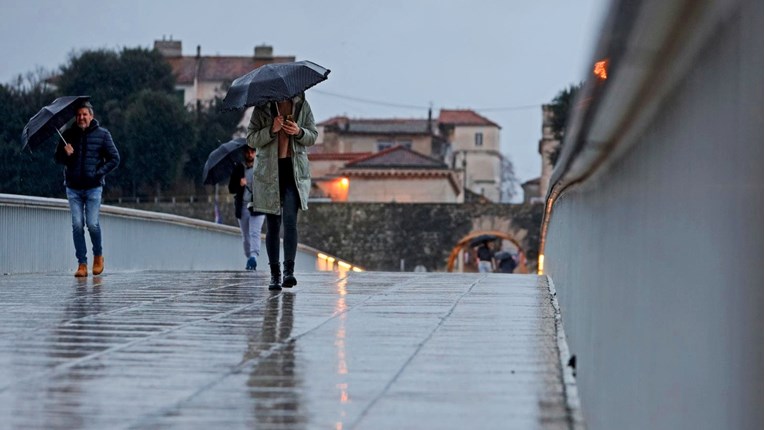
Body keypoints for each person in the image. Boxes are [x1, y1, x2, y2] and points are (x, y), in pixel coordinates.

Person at [246, 93, 317, 290]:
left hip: (293, 172)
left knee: (290, 223)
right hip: (269, 173)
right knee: (273, 225)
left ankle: (289, 272)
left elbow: (313, 136)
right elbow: (251, 139)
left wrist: (299, 131)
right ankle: (274, 275)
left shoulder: (302, 106)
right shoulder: (262, 109)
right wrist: (271, 129)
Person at [54, 101, 120, 277]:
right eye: (79, 115)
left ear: (91, 116)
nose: (81, 118)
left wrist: (98, 173)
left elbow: (115, 158)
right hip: (73, 188)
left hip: (93, 188)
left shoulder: (103, 135)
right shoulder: (68, 134)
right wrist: (64, 152)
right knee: (77, 225)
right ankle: (82, 264)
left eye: (85, 114)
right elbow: (58, 158)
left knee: (92, 224)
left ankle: (98, 256)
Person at [229, 145, 265, 271]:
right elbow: (231, 188)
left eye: (252, 152)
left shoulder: (261, 168)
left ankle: (254, 257)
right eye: (248, 152)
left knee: (255, 232)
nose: (250, 154)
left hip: (258, 205)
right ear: (244, 153)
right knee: (245, 235)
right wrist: (239, 184)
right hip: (243, 205)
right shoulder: (239, 168)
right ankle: (249, 257)